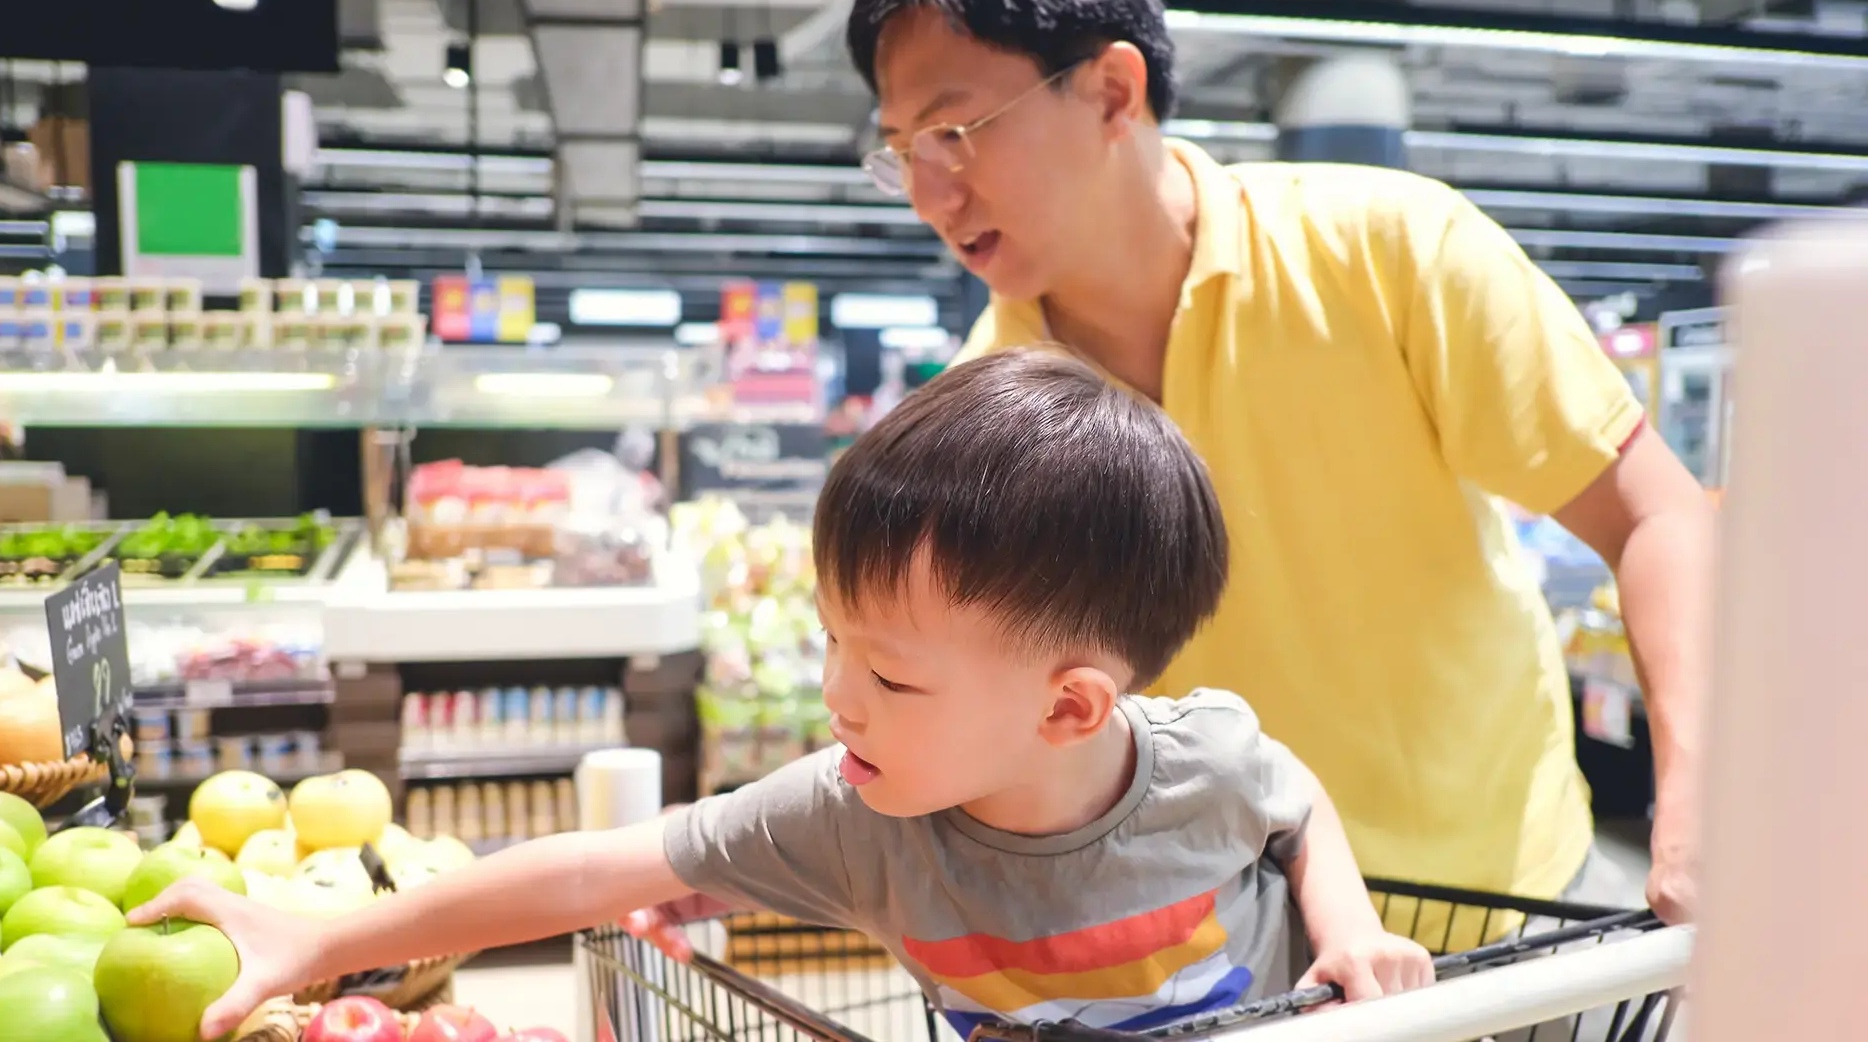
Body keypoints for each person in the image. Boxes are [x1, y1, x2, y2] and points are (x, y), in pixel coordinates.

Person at [139, 350, 1435, 1041]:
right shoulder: (852, 816)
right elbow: (587, 871)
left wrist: (1348, 930)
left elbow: (1293, 803)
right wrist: (321, 940)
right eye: (831, 645)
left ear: (1068, 711)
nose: (836, 699)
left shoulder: (1203, 760)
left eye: (890, 672)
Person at [818, 0, 1713, 930]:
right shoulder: (980, 420)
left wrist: (1700, 797)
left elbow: (1654, 515)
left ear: (1111, 91)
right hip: (1225, 958)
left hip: (1513, 901)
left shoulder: (1392, 253)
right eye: (902, 151)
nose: (928, 194)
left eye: (954, 133)